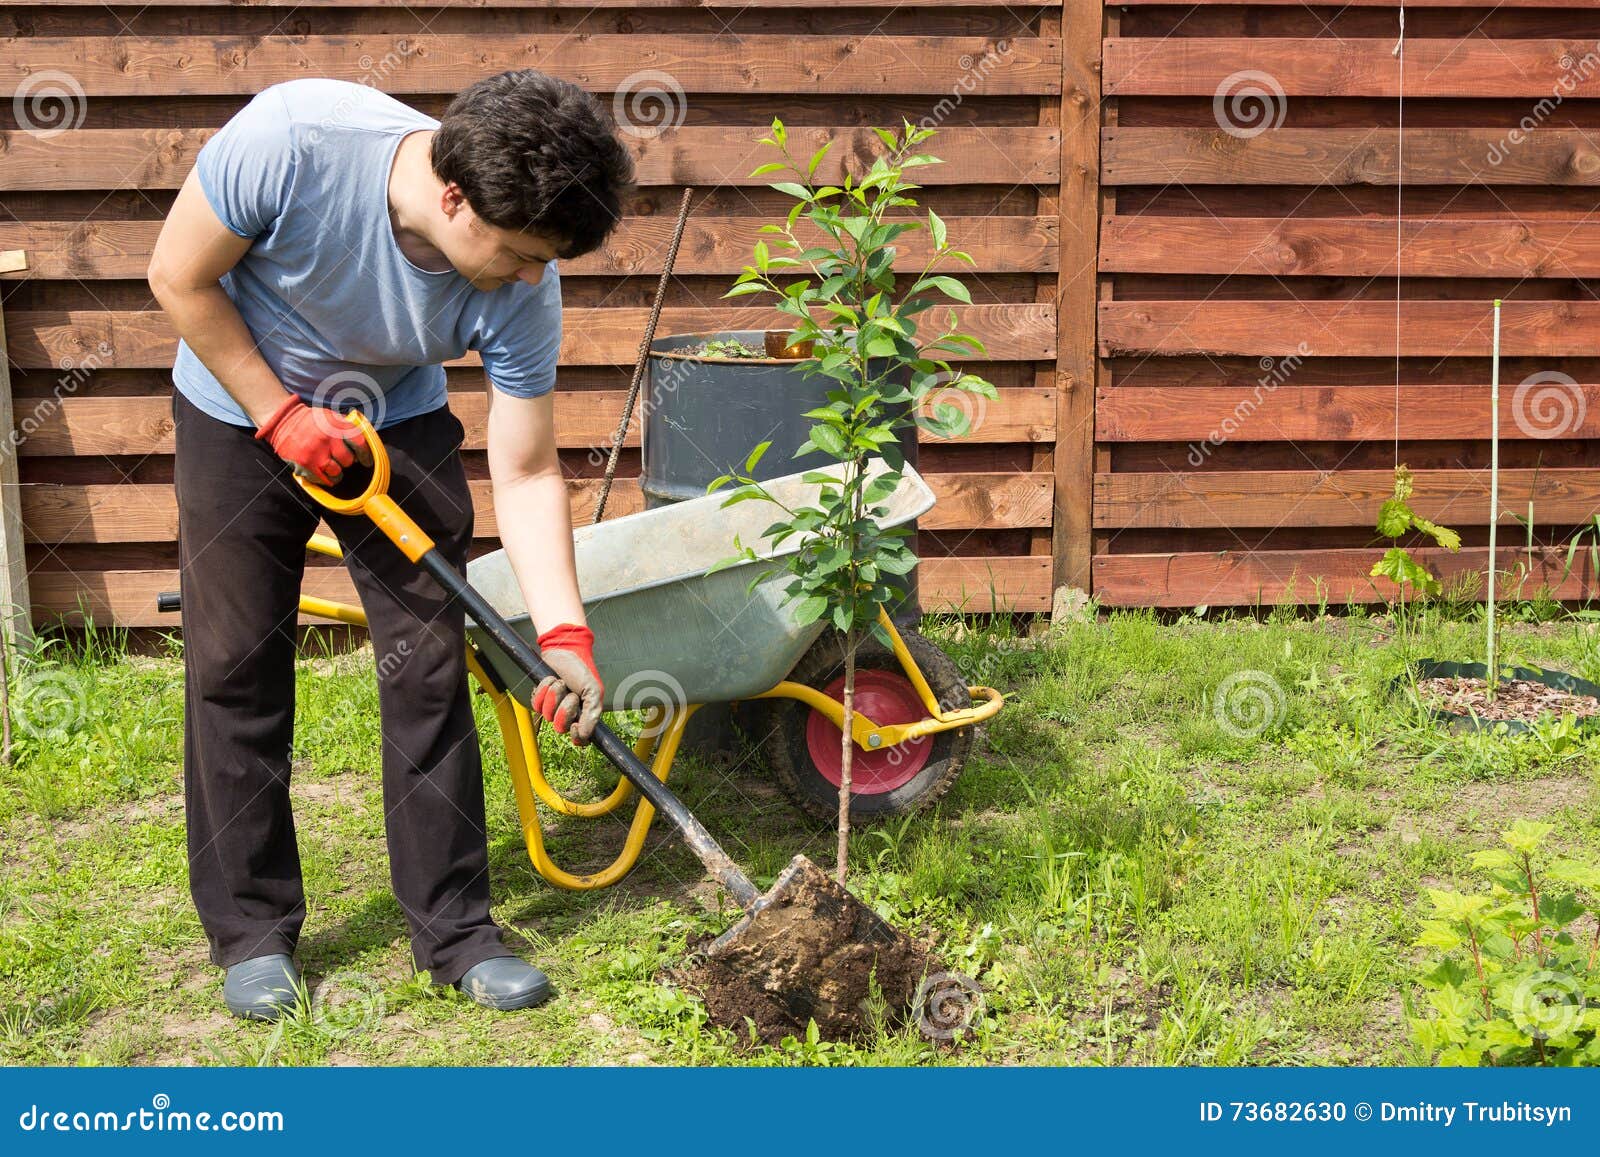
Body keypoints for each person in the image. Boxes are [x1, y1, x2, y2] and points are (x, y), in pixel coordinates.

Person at [147, 70, 635, 1019]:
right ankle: (251, 931)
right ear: (454, 199)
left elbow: (529, 470)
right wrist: (277, 414)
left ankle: (455, 931)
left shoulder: (526, 284)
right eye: (521, 254)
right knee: (235, 661)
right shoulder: (295, 141)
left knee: (425, 668)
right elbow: (178, 273)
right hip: (238, 403)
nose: (532, 276)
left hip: (395, 419)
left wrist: (565, 633)